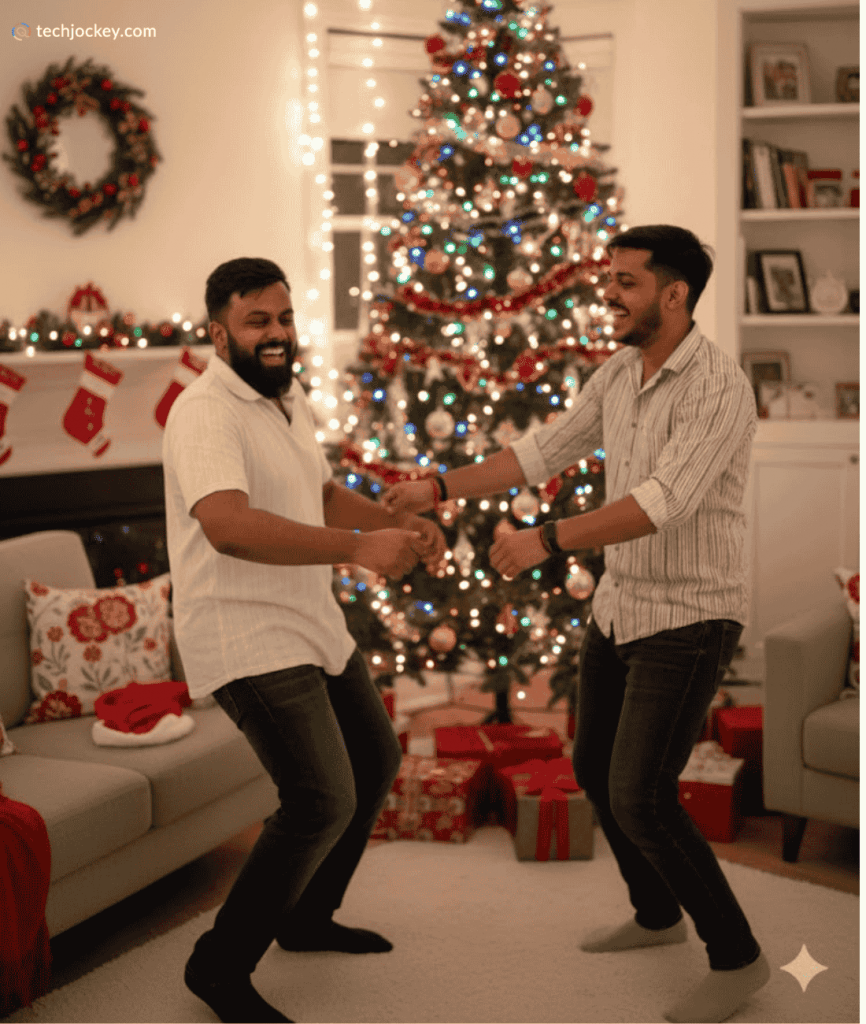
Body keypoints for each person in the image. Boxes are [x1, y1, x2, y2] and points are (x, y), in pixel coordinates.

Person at [383, 225, 770, 1024]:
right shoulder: (618, 374)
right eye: (609, 279)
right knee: (595, 770)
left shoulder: (719, 386)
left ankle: (739, 957)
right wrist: (437, 487)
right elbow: (540, 453)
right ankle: (657, 916)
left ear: (675, 294)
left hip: (691, 614)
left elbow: (663, 503)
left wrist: (547, 538)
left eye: (626, 282)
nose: (609, 295)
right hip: (621, 608)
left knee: (642, 795)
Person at [163, 257, 446, 1024]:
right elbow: (227, 526)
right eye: (257, 320)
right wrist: (357, 550)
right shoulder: (203, 412)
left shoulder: (288, 399)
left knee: (375, 761)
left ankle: (307, 918)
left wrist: (394, 524)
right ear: (219, 334)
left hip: (309, 618)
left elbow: (318, 494)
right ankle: (219, 965)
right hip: (242, 628)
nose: (277, 333)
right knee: (321, 797)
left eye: (284, 318)